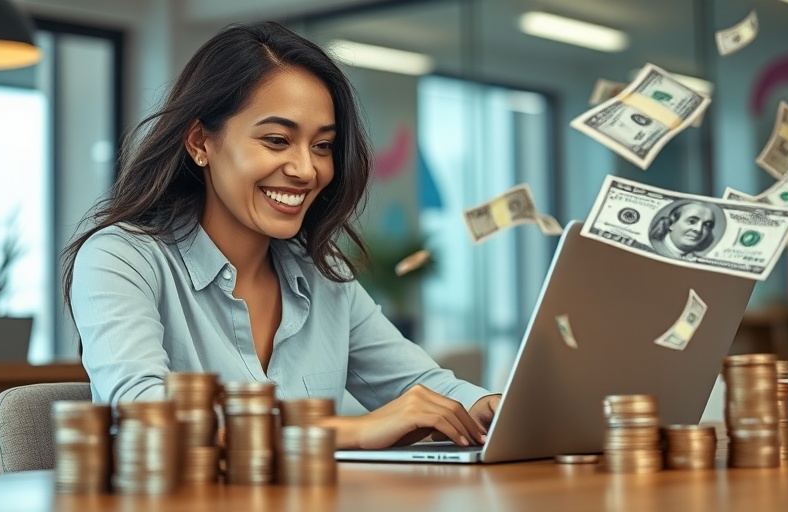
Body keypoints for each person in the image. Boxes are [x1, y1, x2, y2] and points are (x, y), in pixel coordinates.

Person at [61, 21, 499, 451]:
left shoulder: (325, 277)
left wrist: (489, 406)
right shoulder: (119, 258)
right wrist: (347, 431)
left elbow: (423, 387)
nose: (306, 169)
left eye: (322, 146)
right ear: (200, 142)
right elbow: (143, 414)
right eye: (276, 140)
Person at [648, 200, 718, 261]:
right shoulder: (649, 249)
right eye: (692, 221)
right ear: (672, 223)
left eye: (707, 225)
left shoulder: (698, 261)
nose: (698, 229)